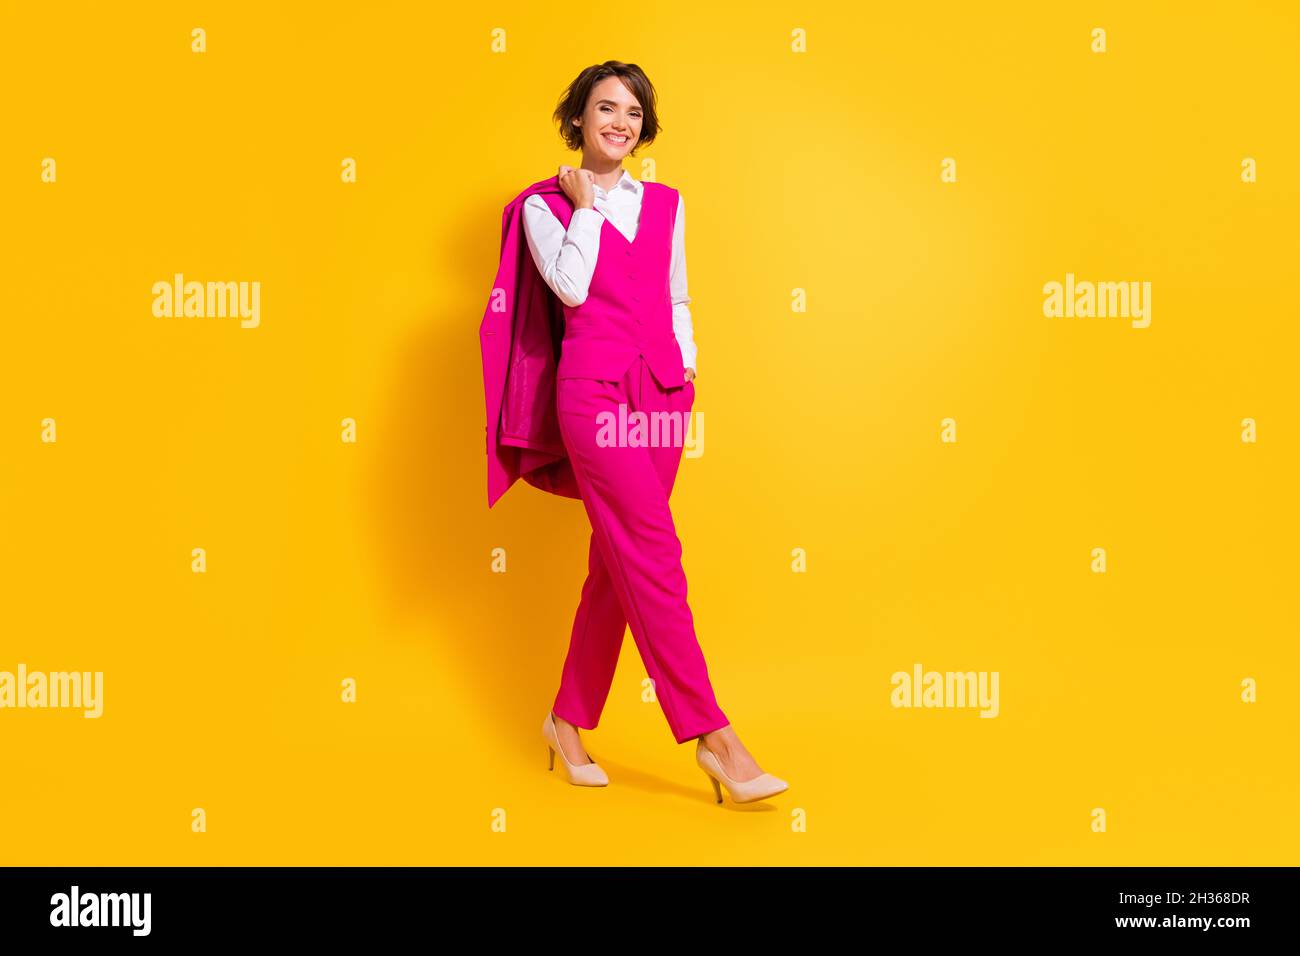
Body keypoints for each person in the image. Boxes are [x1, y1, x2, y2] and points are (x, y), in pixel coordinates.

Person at [523, 61, 788, 804]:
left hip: (664, 396)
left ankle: (566, 721)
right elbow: (571, 287)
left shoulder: (667, 203)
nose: (620, 122)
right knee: (654, 552)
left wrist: (687, 371)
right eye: (605, 108)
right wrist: (585, 206)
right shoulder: (545, 207)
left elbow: (676, 295)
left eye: (633, 112)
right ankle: (716, 741)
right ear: (577, 118)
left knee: (618, 562)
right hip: (595, 393)